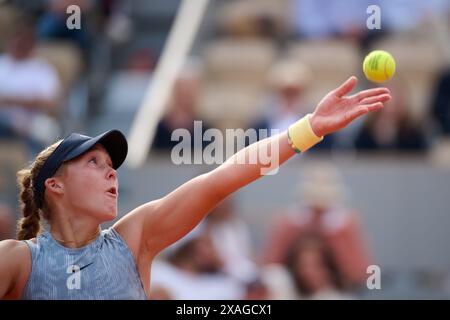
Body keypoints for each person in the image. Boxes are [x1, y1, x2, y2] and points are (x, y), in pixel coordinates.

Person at [0, 76, 391, 299]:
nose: (112, 173)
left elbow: (223, 177)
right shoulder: (17, 259)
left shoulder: (134, 238)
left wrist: (309, 129)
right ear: (55, 185)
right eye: (94, 163)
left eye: (113, 165)